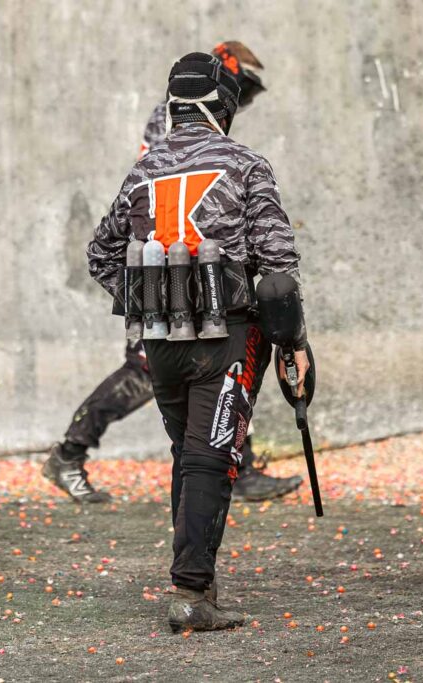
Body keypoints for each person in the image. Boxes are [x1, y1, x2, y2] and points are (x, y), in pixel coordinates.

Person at [87, 52, 309, 631]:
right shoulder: (245, 164)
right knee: (210, 461)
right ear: (223, 105)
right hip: (228, 336)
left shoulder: (142, 171)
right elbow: (278, 269)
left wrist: (150, 299)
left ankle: (198, 582)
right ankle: (190, 593)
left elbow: (101, 253)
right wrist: (294, 343)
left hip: (160, 340)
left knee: (189, 456)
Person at [42, 41, 301, 505]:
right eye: (242, 91)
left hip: (192, 272)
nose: (242, 104)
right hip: (169, 272)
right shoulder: (176, 124)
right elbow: (159, 197)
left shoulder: (200, 126)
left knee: (228, 365)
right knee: (144, 370)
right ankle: (69, 453)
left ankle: (237, 468)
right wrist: (147, 294)